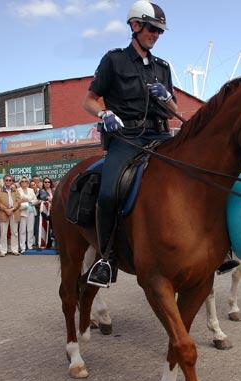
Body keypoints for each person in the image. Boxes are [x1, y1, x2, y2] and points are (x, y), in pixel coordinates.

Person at [82, 0, 175, 287]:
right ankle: (106, 259)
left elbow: (174, 108)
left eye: (159, 31)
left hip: (161, 135)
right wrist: (104, 113)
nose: (155, 35)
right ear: (135, 26)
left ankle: (218, 250)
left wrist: (166, 98)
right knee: (109, 192)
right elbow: (88, 100)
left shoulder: (163, 66)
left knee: (197, 173)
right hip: (127, 138)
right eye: (151, 29)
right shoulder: (114, 60)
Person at [0, 175, 21, 256]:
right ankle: (3, 251)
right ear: (4, 181)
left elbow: (19, 201)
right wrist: (6, 209)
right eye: (7, 180)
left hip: (14, 212)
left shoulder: (15, 190)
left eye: (10, 180)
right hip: (3, 213)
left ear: (12, 181)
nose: (8, 181)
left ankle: (15, 249)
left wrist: (12, 209)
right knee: (3, 233)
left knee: (14, 232)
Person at [17, 176, 38, 253]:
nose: (24, 182)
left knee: (30, 229)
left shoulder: (31, 190)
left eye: (26, 181)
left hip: (31, 211)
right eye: (22, 181)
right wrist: (27, 201)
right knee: (22, 230)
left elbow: (35, 200)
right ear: (20, 183)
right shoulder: (17, 190)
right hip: (22, 212)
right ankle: (22, 247)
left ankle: (30, 246)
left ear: (28, 183)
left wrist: (28, 201)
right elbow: (18, 201)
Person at [37, 177, 55, 249]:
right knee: (46, 227)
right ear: (43, 183)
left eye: (48, 182)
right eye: (45, 182)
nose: (47, 183)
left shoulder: (54, 190)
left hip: (54, 212)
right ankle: (47, 243)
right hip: (45, 212)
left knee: (53, 228)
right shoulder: (42, 191)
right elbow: (44, 197)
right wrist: (51, 199)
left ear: (50, 183)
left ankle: (55, 244)